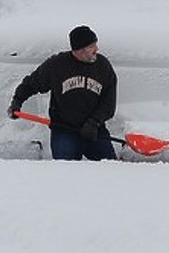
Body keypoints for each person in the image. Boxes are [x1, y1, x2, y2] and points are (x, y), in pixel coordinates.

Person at [7, 25, 117, 161]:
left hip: (94, 130)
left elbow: (109, 103)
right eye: (92, 46)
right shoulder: (57, 65)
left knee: (110, 167)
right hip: (64, 130)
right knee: (65, 171)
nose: (97, 49)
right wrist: (17, 101)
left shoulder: (103, 66)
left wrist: (94, 122)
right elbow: (31, 83)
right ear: (79, 50)